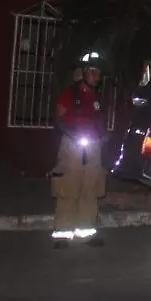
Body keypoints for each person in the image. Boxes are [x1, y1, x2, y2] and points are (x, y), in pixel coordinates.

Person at [50, 56, 107, 247]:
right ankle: (62, 233)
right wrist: (74, 135)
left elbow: (98, 121)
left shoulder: (96, 97)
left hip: (92, 148)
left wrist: (101, 137)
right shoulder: (71, 94)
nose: (96, 76)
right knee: (68, 188)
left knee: (90, 189)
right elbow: (59, 118)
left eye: (98, 73)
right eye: (92, 71)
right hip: (73, 147)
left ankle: (86, 231)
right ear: (83, 73)